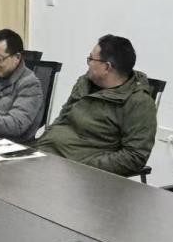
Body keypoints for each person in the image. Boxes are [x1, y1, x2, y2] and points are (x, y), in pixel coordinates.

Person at [35, 34, 157, 177]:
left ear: (107, 67)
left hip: (77, 173)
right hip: (44, 155)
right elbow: (63, 118)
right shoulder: (84, 83)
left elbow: (134, 156)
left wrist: (83, 166)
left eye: (91, 59)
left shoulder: (138, 102)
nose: (88, 63)